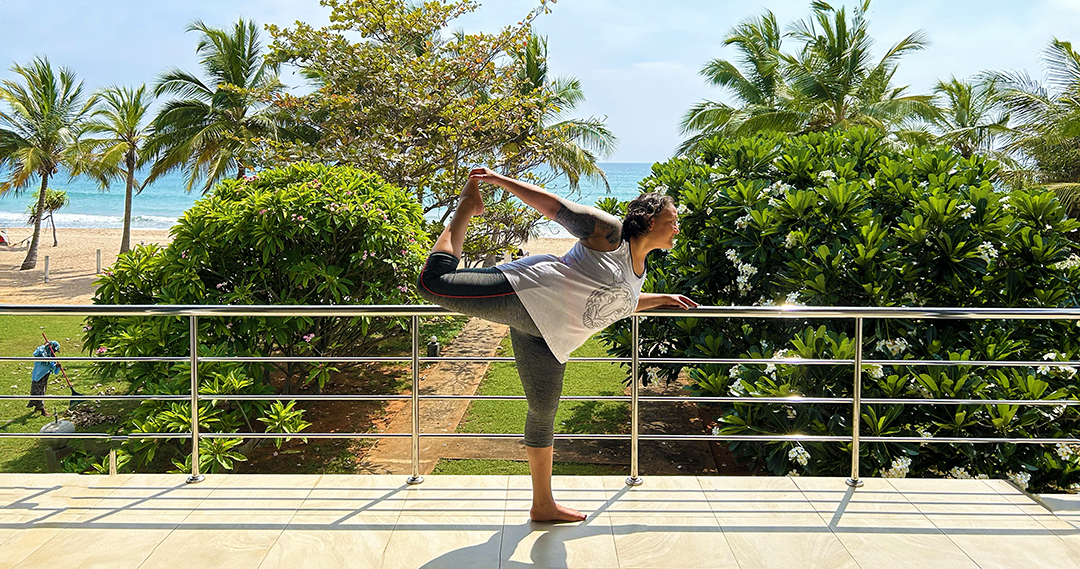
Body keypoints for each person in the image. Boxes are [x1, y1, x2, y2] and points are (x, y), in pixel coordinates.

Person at [417, 167, 698, 522]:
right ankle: (466, 206)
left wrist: (659, 299)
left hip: (549, 336)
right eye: (672, 220)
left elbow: (613, 301)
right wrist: (498, 180)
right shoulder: (610, 234)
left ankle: (543, 505)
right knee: (433, 283)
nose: (676, 228)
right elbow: (555, 208)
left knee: (543, 412)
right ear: (648, 219)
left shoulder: (639, 267)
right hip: (527, 292)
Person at [29, 341, 61, 417]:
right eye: (54, 350)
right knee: (38, 392)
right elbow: (35, 353)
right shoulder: (41, 354)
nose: (55, 353)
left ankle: (38, 407)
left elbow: (53, 369)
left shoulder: (51, 357)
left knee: (41, 391)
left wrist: (57, 366)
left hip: (45, 377)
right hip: (38, 377)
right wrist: (44, 346)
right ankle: (42, 410)